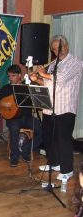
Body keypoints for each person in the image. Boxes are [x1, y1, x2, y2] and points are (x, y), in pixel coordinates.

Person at [30, 35, 83, 181]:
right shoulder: (54, 63)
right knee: (50, 138)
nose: (56, 51)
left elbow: (60, 78)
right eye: (53, 49)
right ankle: (54, 163)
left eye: (59, 48)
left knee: (63, 139)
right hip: (49, 107)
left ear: (66, 46)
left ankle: (67, 170)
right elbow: (49, 84)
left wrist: (42, 72)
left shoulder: (76, 62)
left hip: (65, 108)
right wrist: (38, 80)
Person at [0, 64, 42, 167]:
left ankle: (25, 149)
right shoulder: (6, 88)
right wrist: (2, 104)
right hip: (13, 118)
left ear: (19, 75)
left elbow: (37, 101)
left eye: (13, 76)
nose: (10, 78)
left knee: (44, 129)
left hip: (27, 117)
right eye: (9, 76)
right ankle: (14, 157)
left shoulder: (27, 87)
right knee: (14, 128)